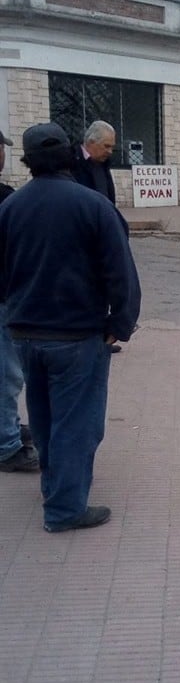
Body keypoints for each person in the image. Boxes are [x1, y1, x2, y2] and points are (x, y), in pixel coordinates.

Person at [0, 122, 141, 532]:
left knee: (43, 418)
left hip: (25, 333)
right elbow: (121, 272)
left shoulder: (10, 209)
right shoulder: (93, 206)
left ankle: (56, 485)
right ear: (68, 154)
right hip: (78, 336)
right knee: (76, 422)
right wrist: (121, 323)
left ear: (27, 161)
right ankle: (65, 508)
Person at [0, 129, 40, 473]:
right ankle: (6, 445)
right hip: (3, 298)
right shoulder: (6, 199)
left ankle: (8, 426)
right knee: (7, 374)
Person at [71, 120, 123, 351]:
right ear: (91, 143)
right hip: (82, 240)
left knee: (104, 286)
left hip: (102, 236)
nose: (110, 151)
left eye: (112, 147)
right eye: (107, 146)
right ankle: (84, 335)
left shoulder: (101, 165)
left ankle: (103, 336)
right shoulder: (73, 164)